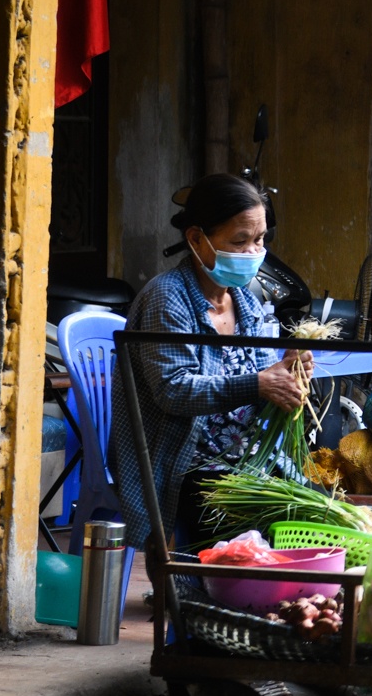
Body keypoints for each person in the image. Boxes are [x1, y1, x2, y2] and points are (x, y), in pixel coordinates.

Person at [111, 174, 312, 555]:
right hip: (185, 467)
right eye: (239, 241)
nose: (253, 251)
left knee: (321, 514)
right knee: (260, 539)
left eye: (260, 239)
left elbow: (263, 376)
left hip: (248, 462)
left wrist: (288, 375)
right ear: (197, 239)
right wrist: (258, 384)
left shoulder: (245, 301)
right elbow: (174, 390)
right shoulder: (167, 299)